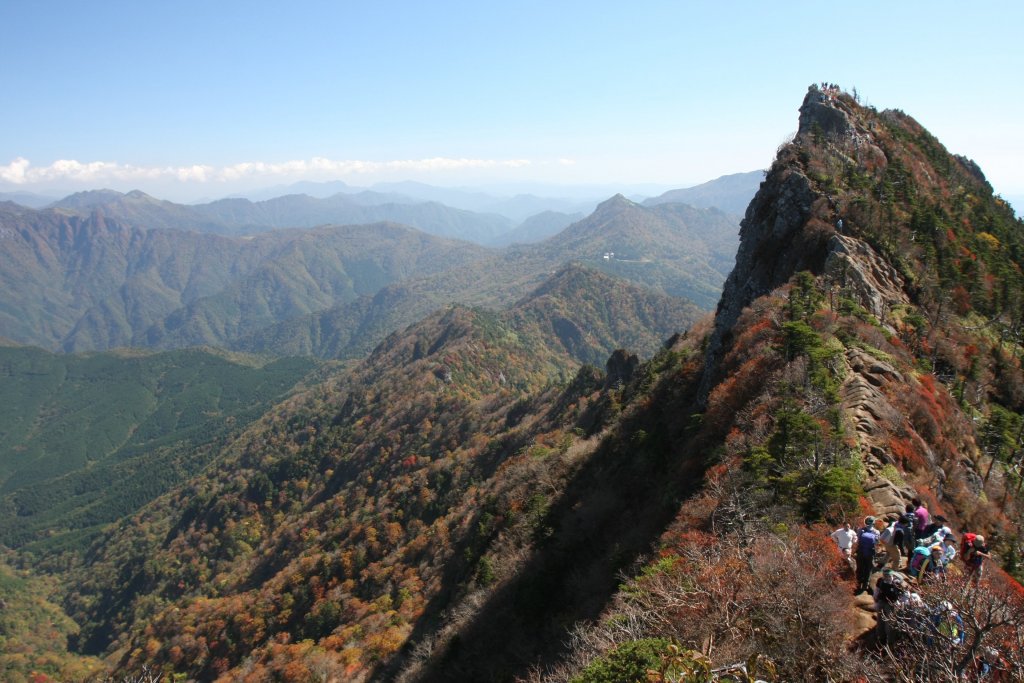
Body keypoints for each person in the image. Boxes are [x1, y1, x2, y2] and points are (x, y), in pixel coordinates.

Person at [855, 516, 880, 594]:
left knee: (860, 568)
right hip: (870, 552)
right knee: (868, 569)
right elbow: (876, 543)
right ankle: (866, 584)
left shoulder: (860, 530)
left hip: (861, 552)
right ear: (873, 523)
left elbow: (858, 540)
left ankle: (858, 584)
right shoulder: (876, 532)